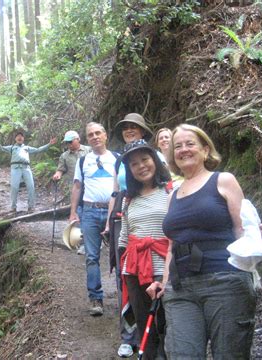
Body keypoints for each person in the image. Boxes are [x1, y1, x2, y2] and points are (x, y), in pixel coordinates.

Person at [148, 124, 257, 359]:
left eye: (190, 144)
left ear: (205, 150)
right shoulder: (172, 196)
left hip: (225, 280)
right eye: (178, 146)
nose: (183, 150)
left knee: (230, 354)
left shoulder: (223, 181)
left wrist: (255, 251)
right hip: (180, 288)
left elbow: (243, 228)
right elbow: (171, 246)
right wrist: (164, 283)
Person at [106, 113, 156, 357]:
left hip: (147, 214)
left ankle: (152, 338)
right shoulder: (120, 160)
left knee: (149, 277)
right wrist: (109, 221)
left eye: (133, 127)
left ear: (143, 130)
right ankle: (128, 334)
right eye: (125, 128)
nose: (129, 130)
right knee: (124, 276)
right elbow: (115, 193)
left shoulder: (151, 158)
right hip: (124, 212)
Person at [118, 140, 173, 360]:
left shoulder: (171, 190)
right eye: (134, 164)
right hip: (134, 269)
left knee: (167, 323)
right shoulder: (129, 198)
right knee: (144, 323)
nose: (141, 166)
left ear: (155, 161)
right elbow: (124, 236)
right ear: (129, 170)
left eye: (145, 160)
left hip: (163, 267)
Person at [69, 122, 118, 317]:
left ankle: (125, 298)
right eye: (91, 135)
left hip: (115, 212)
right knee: (91, 257)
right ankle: (95, 298)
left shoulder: (117, 159)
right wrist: (73, 212)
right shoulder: (83, 161)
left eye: (98, 133)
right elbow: (77, 186)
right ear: (87, 139)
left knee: (120, 255)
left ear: (105, 135)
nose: (95, 137)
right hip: (89, 211)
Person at [0, 130, 56, 212]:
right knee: (14, 187)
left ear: (23, 138)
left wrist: (49, 144)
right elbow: (1, 148)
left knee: (31, 186)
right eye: (18, 136)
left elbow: (38, 149)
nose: (20, 137)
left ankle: (31, 207)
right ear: (15, 138)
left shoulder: (27, 148)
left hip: (26, 168)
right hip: (15, 168)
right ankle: (13, 207)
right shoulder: (12, 147)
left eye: (21, 136)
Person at [52, 130, 91, 255]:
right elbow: (60, 169)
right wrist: (57, 175)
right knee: (78, 215)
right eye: (67, 142)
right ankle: (82, 243)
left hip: (91, 188)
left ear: (78, 139)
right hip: (76, 189)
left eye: (70, 141)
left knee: (91, 214)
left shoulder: (89, 151)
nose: (69, 144)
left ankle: (94, 240)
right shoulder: (64, 156)